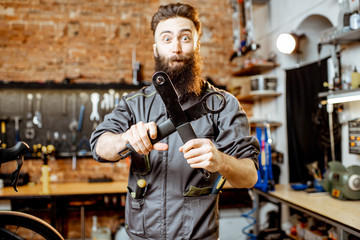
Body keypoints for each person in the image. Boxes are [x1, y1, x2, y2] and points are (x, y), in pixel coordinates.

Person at [90, 2, 260, 239]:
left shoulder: (224, 104)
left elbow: (250, 176)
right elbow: (99, 145)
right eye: (167, 39)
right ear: (156, 48)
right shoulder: (134, 103)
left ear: (197, 45)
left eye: (185, 38)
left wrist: (221, 161)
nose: (176, 48)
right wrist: (124, 139)